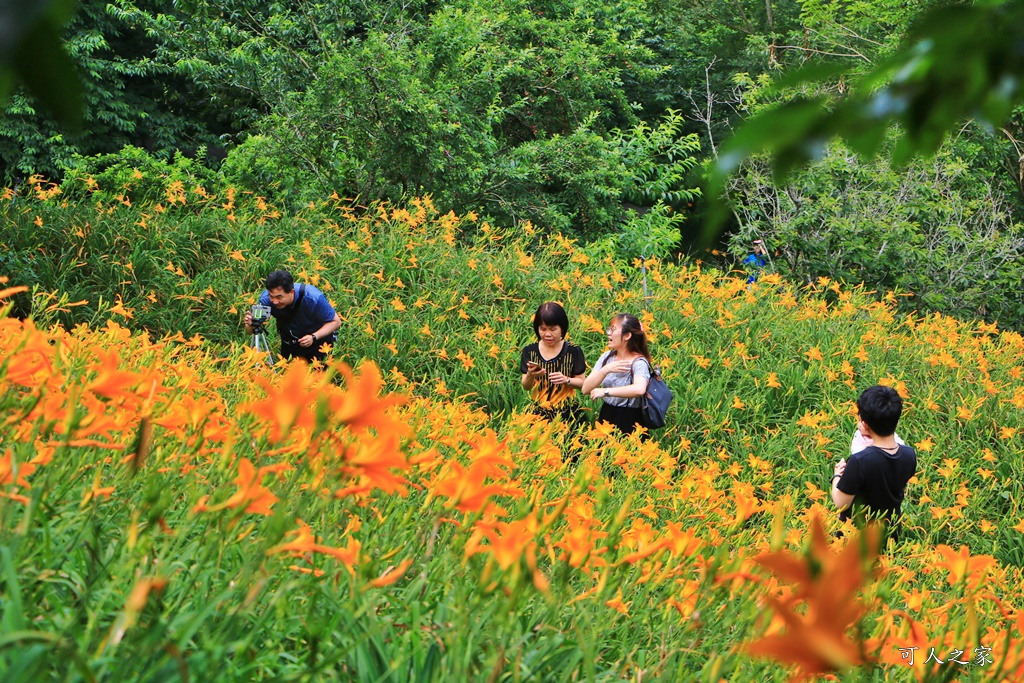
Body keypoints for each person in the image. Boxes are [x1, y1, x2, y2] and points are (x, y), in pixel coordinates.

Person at [832, 385, 918, 544]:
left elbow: (841, 503)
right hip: (890, 535)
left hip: (855, 537)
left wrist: (837, 475)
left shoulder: (859, 461)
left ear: (864, 424)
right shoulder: (909, 454)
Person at [243, 269, 341, 363]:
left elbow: (336, 322)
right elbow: (250, 331)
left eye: (279, 297)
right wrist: (250, 324)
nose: (274, 301)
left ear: (291, 292)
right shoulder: (265, 300)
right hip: (290, 343)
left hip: (318, 343)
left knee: (319, 379)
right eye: (271, 296)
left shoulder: (312, 297)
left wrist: (314, 337)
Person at [581, 313, 652, 436]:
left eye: (613, 330)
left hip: (630, 419)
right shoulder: (607, 357)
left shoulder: (639, 362)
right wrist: (606, 370)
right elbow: (585, 389)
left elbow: (639, 389)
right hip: (607, 414)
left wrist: (606, 391)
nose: (609, 333)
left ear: (627, 335)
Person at [520, 302, 587, 424]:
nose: (547, 334)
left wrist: (566, 380)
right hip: (538, 411)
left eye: (553, 329)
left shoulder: (573, 351)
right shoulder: (530, 351)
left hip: (567, 412)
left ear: (562, 328)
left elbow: (583, 383)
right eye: (543, 329)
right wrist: (530, 374)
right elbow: (526, 386)